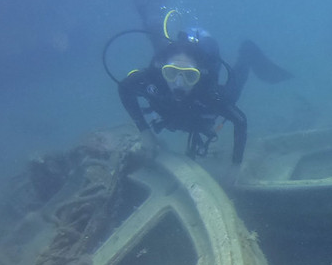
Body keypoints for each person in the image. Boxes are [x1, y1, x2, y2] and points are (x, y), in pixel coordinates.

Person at [117, 26, 291, 165]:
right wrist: (144, 131)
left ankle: (247, 53)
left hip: (204, 98)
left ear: (199, 75)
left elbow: (240, 120)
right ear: (162, 71)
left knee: (231, 94)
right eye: (171, 73)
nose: (179, 83)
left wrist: (235, 166)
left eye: (189, 75)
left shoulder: (209, 93)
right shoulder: (152, 80)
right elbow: (124, 88)